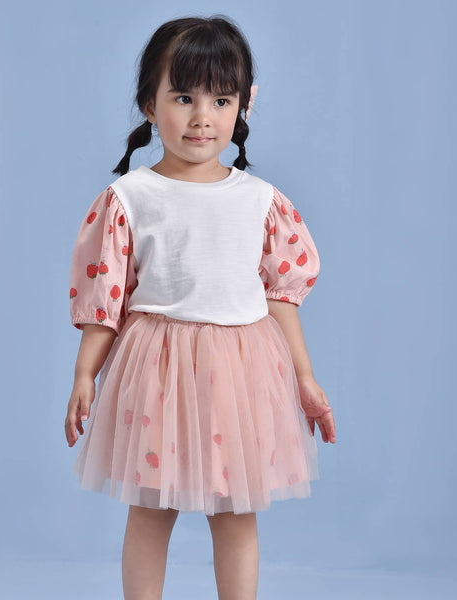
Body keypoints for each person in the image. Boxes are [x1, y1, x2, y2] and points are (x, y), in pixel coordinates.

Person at [64, 14, 336, 600]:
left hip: (240, 375)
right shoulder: (130, 197)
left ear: (243, 106)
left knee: (235, 512)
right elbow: (106, 300)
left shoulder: (260, 201)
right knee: (150, 508)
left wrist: (305, 377)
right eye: (183, 97)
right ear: (149, 103)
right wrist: (85, 373)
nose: (202, 117)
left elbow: (279, 297)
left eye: (220, 100)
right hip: (157, 371)